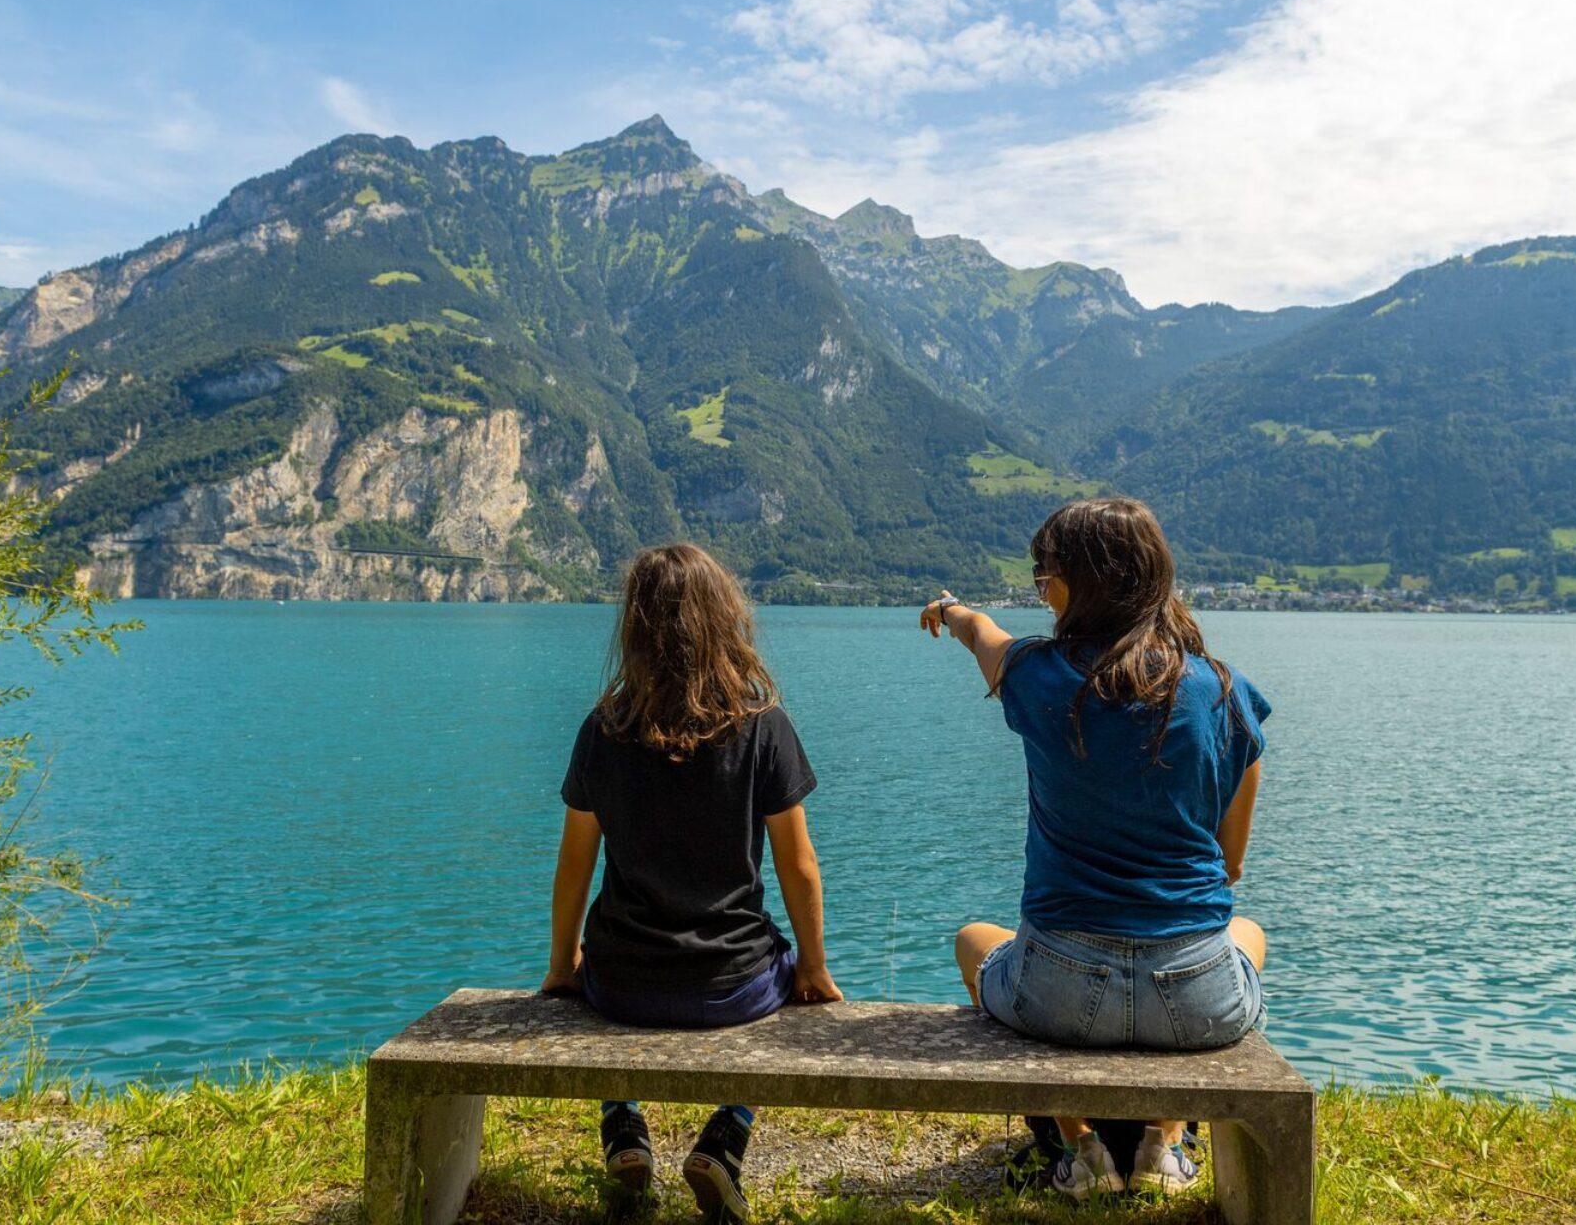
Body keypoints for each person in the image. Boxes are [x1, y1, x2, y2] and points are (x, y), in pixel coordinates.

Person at [919, 497, 1271, 1199]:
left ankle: (1079, 1146)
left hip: (1058, 990)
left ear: (1077, 583)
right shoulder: (1225, 694)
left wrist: (951, 611)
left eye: (1044, 576)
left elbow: (981, 634)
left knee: (972, 941)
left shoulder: (1036, 675)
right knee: (1249, 933)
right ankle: (1165, 1141)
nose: (1041, 591)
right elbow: (1230, 866)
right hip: (1196, 997)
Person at [543, 543, 842, 1221]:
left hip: (621, 984)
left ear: (635, 628)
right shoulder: (762, 726)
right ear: (724, 617)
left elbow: (575, 863)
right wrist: (813, 966)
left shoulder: (604, 728)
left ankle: (623, 1123)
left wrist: (564, 965)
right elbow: (798, 864)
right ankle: (727, 1133)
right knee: (789, 983)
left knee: (598, 962)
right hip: (736, 987)